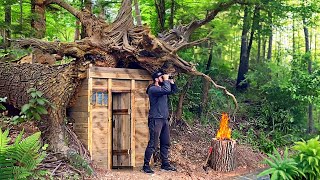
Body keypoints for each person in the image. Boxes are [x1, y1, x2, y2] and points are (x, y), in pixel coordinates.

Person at [142, 70, 178, 174]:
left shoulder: (162, 89)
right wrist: (166, 81)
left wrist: (171, 81)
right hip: (155, 119)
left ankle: (165, 164)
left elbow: (173, 91)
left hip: (164, 119)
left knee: (165, 142)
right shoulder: (153, 89)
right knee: (153, 143)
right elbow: (167, 90)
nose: (164, 79)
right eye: (162, 77)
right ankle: (146, 165)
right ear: (157, 79)